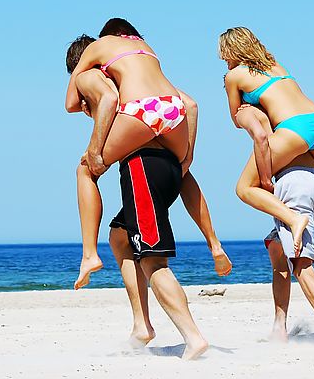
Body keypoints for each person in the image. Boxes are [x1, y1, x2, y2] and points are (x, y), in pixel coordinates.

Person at [66, 18, 224, 288]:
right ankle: (214, 244)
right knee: (182, 170)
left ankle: (89, 254)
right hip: (173, 113)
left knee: (85, 169)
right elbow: (191, 105)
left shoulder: (93, 64)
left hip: (141, 114)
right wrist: (187, 156)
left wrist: (94, 147)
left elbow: (78, 102)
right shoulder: (144, 55)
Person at [220, 26, 314, 257]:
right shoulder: (276, 66)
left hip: (294, 128)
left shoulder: (234, 75)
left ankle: (294, 219)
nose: (225, 61)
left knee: (244, 189)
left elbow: (236, 117)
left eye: (225, 55)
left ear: (232, 51)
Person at [236, 151, 314, 347]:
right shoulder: (305, 125)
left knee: (300, 260)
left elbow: (261, 140)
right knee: (277, 248)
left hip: (293, 184)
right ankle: (279, 327)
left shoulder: (273, 124)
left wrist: (267, 180)